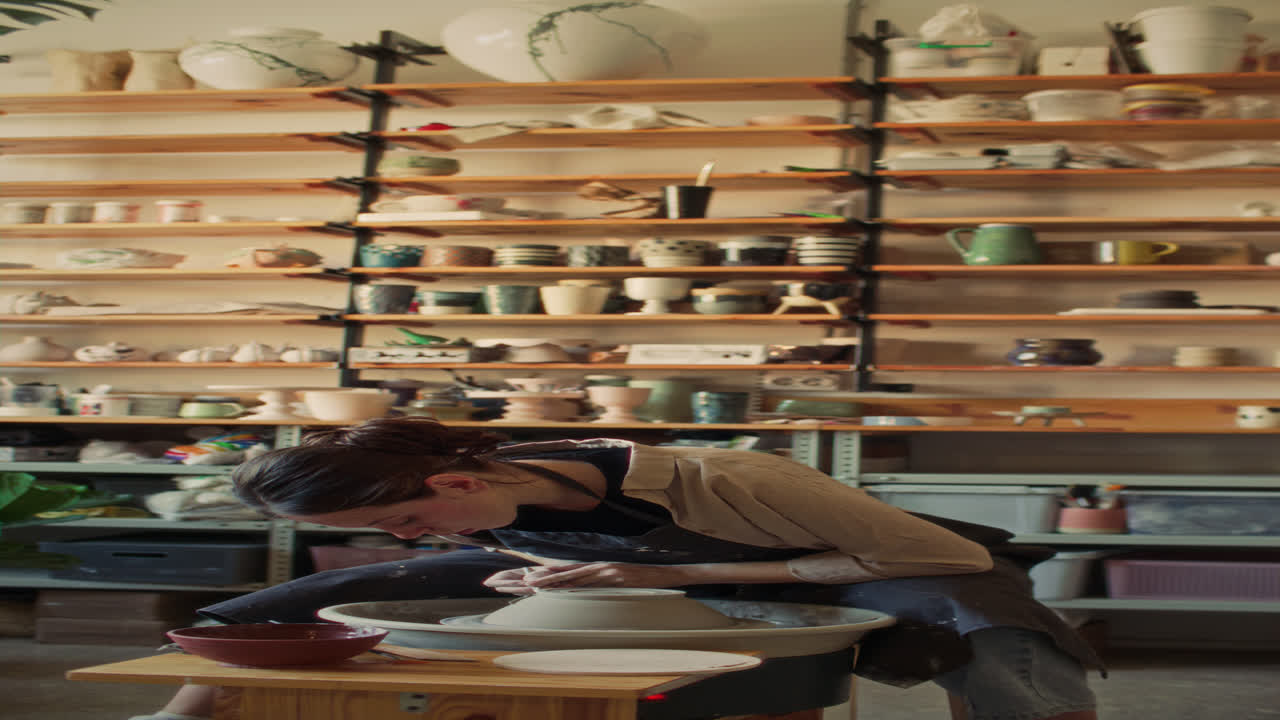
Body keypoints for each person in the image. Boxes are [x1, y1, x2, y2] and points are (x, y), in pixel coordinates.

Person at [133, 417, 1102, 720]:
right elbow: (469, 548)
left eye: (409, 518)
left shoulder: (729, 477)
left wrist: (653, 584)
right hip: (634, 574)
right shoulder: (489, 503)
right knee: (282, 605)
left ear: (451, 479)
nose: (408, 538)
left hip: (847, 559)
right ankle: (178, 715)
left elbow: (948, 552)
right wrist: (512, 573)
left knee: (985, 619)